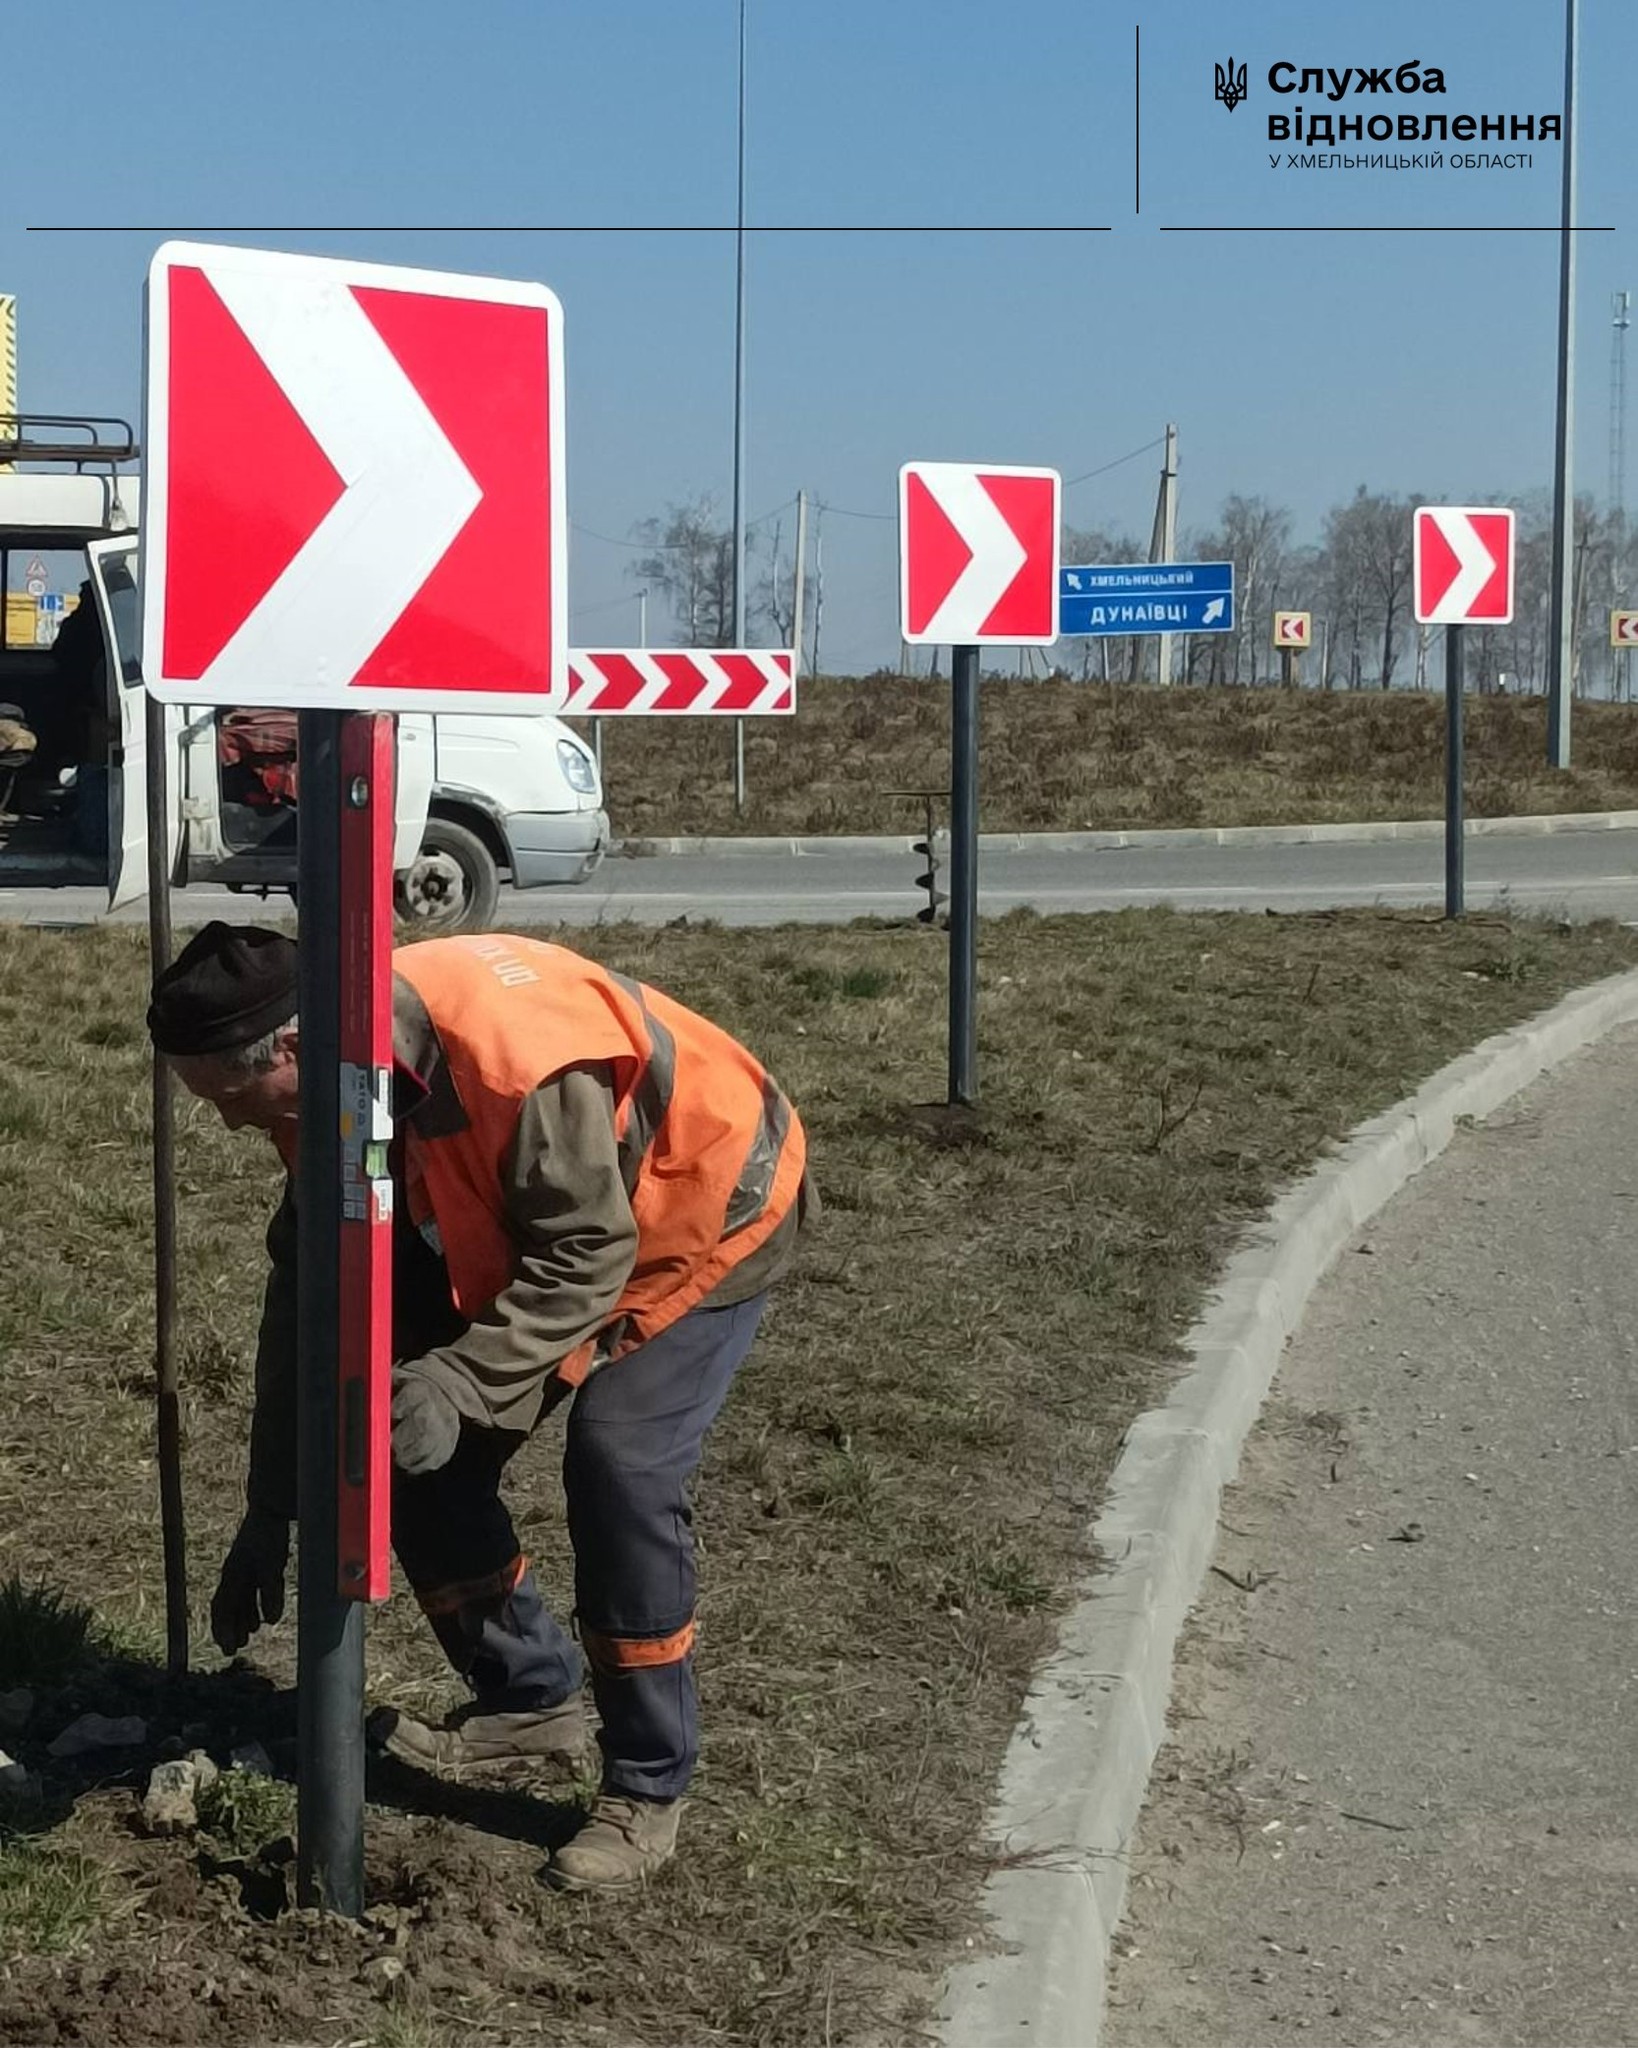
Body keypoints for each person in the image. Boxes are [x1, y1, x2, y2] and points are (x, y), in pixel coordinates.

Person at [147, 921, 813, 1892]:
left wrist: (462, 1381)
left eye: (234, 1098)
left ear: (288, 1046)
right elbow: (309, 1296)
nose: (231, 1124)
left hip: (704, 1202)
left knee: (618, 1460)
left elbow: (589, 1253)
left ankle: (646, 1783)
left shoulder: (512, 1065)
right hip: (533, 1217)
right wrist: (270, 1504)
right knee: (401, 1429)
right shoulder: (338, 1077)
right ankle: (531, 1693)